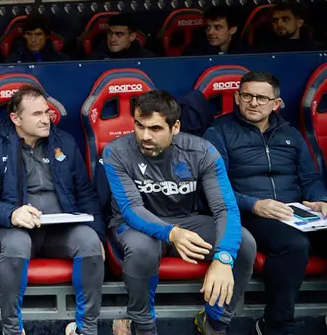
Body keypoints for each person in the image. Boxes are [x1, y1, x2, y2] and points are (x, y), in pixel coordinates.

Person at [101, 90, 256, 335]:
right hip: (135, 225)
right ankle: (144, 326)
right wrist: (172, 234)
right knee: (142, 249)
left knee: (244, 243)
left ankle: (215, 323)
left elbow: (225, 208)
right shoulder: (115, 152)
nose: (144, 135)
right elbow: (131, 209)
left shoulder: (203, 151)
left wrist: (224, 257)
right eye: (139, 126)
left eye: (155, 128)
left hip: (186, 220)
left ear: (175, 127)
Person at [0, 85, 107, 335]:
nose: (46, 119)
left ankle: (86, 328)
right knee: (17, 244)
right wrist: (12, 214)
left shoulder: (64, 141)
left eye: (47, 112)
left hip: (60, 230)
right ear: (16, 119)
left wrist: (99, 234)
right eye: (37, 114)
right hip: (17, 229)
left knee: (89, 241)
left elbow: (85, 193)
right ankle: (12, 329)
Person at [203, 71, 327, 335]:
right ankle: (276, 324)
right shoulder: (219, 132)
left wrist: (320, 200)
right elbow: (213, 187)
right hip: (248, 213)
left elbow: (311, 178)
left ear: (276, 103)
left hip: (297, 212)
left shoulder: (291, 134)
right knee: (294, 244)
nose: (253, 102)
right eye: (246, 95)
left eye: (261, 97)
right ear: (237, 97)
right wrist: (254, 204)